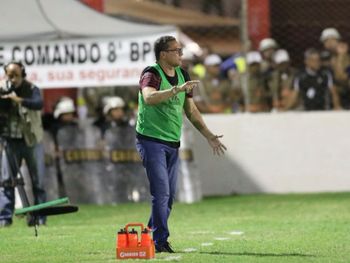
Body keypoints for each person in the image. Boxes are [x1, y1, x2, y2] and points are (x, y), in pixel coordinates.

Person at [135, 35, 226, 253]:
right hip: (151, 140)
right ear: (163, 54)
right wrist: (175, 90)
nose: (181, 54)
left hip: (172, 142)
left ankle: (148, 236)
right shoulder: (152, 73)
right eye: (177, 50)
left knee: (168, 198)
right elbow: (149, 98)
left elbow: (191, 110)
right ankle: (160, 241)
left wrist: (209, 135)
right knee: (162, 193)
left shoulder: (183, 75)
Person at [0, 61, 46, 227]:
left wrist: (18, 99)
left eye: (16, 75)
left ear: (23, 74)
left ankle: (40, 218)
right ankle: (5, 219)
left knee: (38, 182)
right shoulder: (2, 87)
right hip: (10, 141)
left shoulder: (32, 88)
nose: (12, 79)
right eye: (9, 75)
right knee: (6, 182)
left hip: (31, 140)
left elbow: (38, 104)